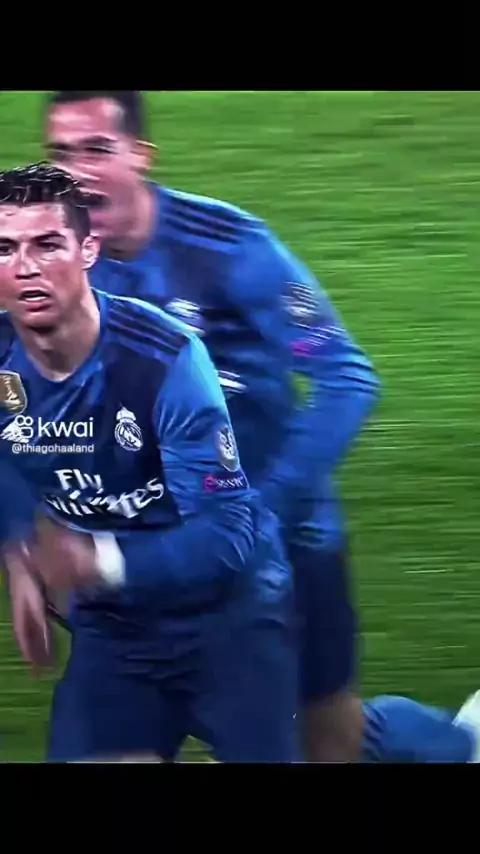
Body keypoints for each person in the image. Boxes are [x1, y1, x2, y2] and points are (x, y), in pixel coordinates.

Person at [42, 90, 480, 764]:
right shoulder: (50, 265)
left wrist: (262, 511)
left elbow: (345, 376)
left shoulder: (226, 249)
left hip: (285, 541)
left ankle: (453, 744)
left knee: (328, 743)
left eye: (97, 149)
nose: (76, 172)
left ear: (141, 154)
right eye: (61, 154)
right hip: (144, 553)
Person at [0, 162, 298, 763]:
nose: (26, 266)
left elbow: (228, 531)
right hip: (116, 631)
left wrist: (96, 560)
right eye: (5, 248)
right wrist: (19, 554)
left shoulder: (163, 360)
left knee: (330, 741)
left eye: (47, 244)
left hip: (228, 622)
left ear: (89, 249)